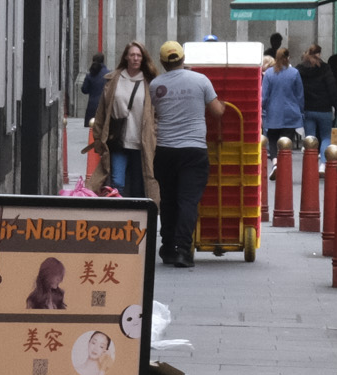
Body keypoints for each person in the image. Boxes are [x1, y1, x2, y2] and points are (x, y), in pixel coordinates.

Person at [149, 41, 228, 267]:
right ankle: (184, 250)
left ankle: (167, 247)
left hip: (165, 150)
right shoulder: (200, 80)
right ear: (184, 59)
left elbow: (153, 113)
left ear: (163, 62)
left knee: (169, 200)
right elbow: (217, 111)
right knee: (188, 201)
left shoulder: (156, 85)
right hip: (194, 151)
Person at [91, 41, 157, 201]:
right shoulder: (114, 80)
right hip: (118, 141)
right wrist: (98, 137)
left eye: (139, 55)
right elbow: (102, 112)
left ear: (143, 59)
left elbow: (156, 114)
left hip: (141, 143)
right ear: (126, 57)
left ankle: (138, 221)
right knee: (117, 183)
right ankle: (118, 218)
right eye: (132, 55)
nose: (135, 58)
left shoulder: (150, 82)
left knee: (139, 186)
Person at [261, 45, 305, 151]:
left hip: (273, 113)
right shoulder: (294, 73)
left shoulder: (269, 74)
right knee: (286, 144)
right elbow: (300, 95)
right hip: (291, 113)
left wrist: (263, 109)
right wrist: (301, 112)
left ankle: (275, 161)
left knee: (272, 141)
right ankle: (283, 163)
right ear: (288, 58)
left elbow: (264, 96)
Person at [297, 39, 337, 149]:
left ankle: (311, 164)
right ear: (319, 54)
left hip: (308, 108)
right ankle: (323, 164)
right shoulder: (325, 68)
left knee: (310, 138)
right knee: (326, 137)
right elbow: (332, 87)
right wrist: (336, 105)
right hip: (324, 108)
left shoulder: (300, 69)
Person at [80, 52, 108, 127]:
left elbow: (84, 90)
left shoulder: (90, 75)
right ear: (103, 61)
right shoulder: (109, 74)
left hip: (92, 105)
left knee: (91, 129)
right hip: (105, 105)